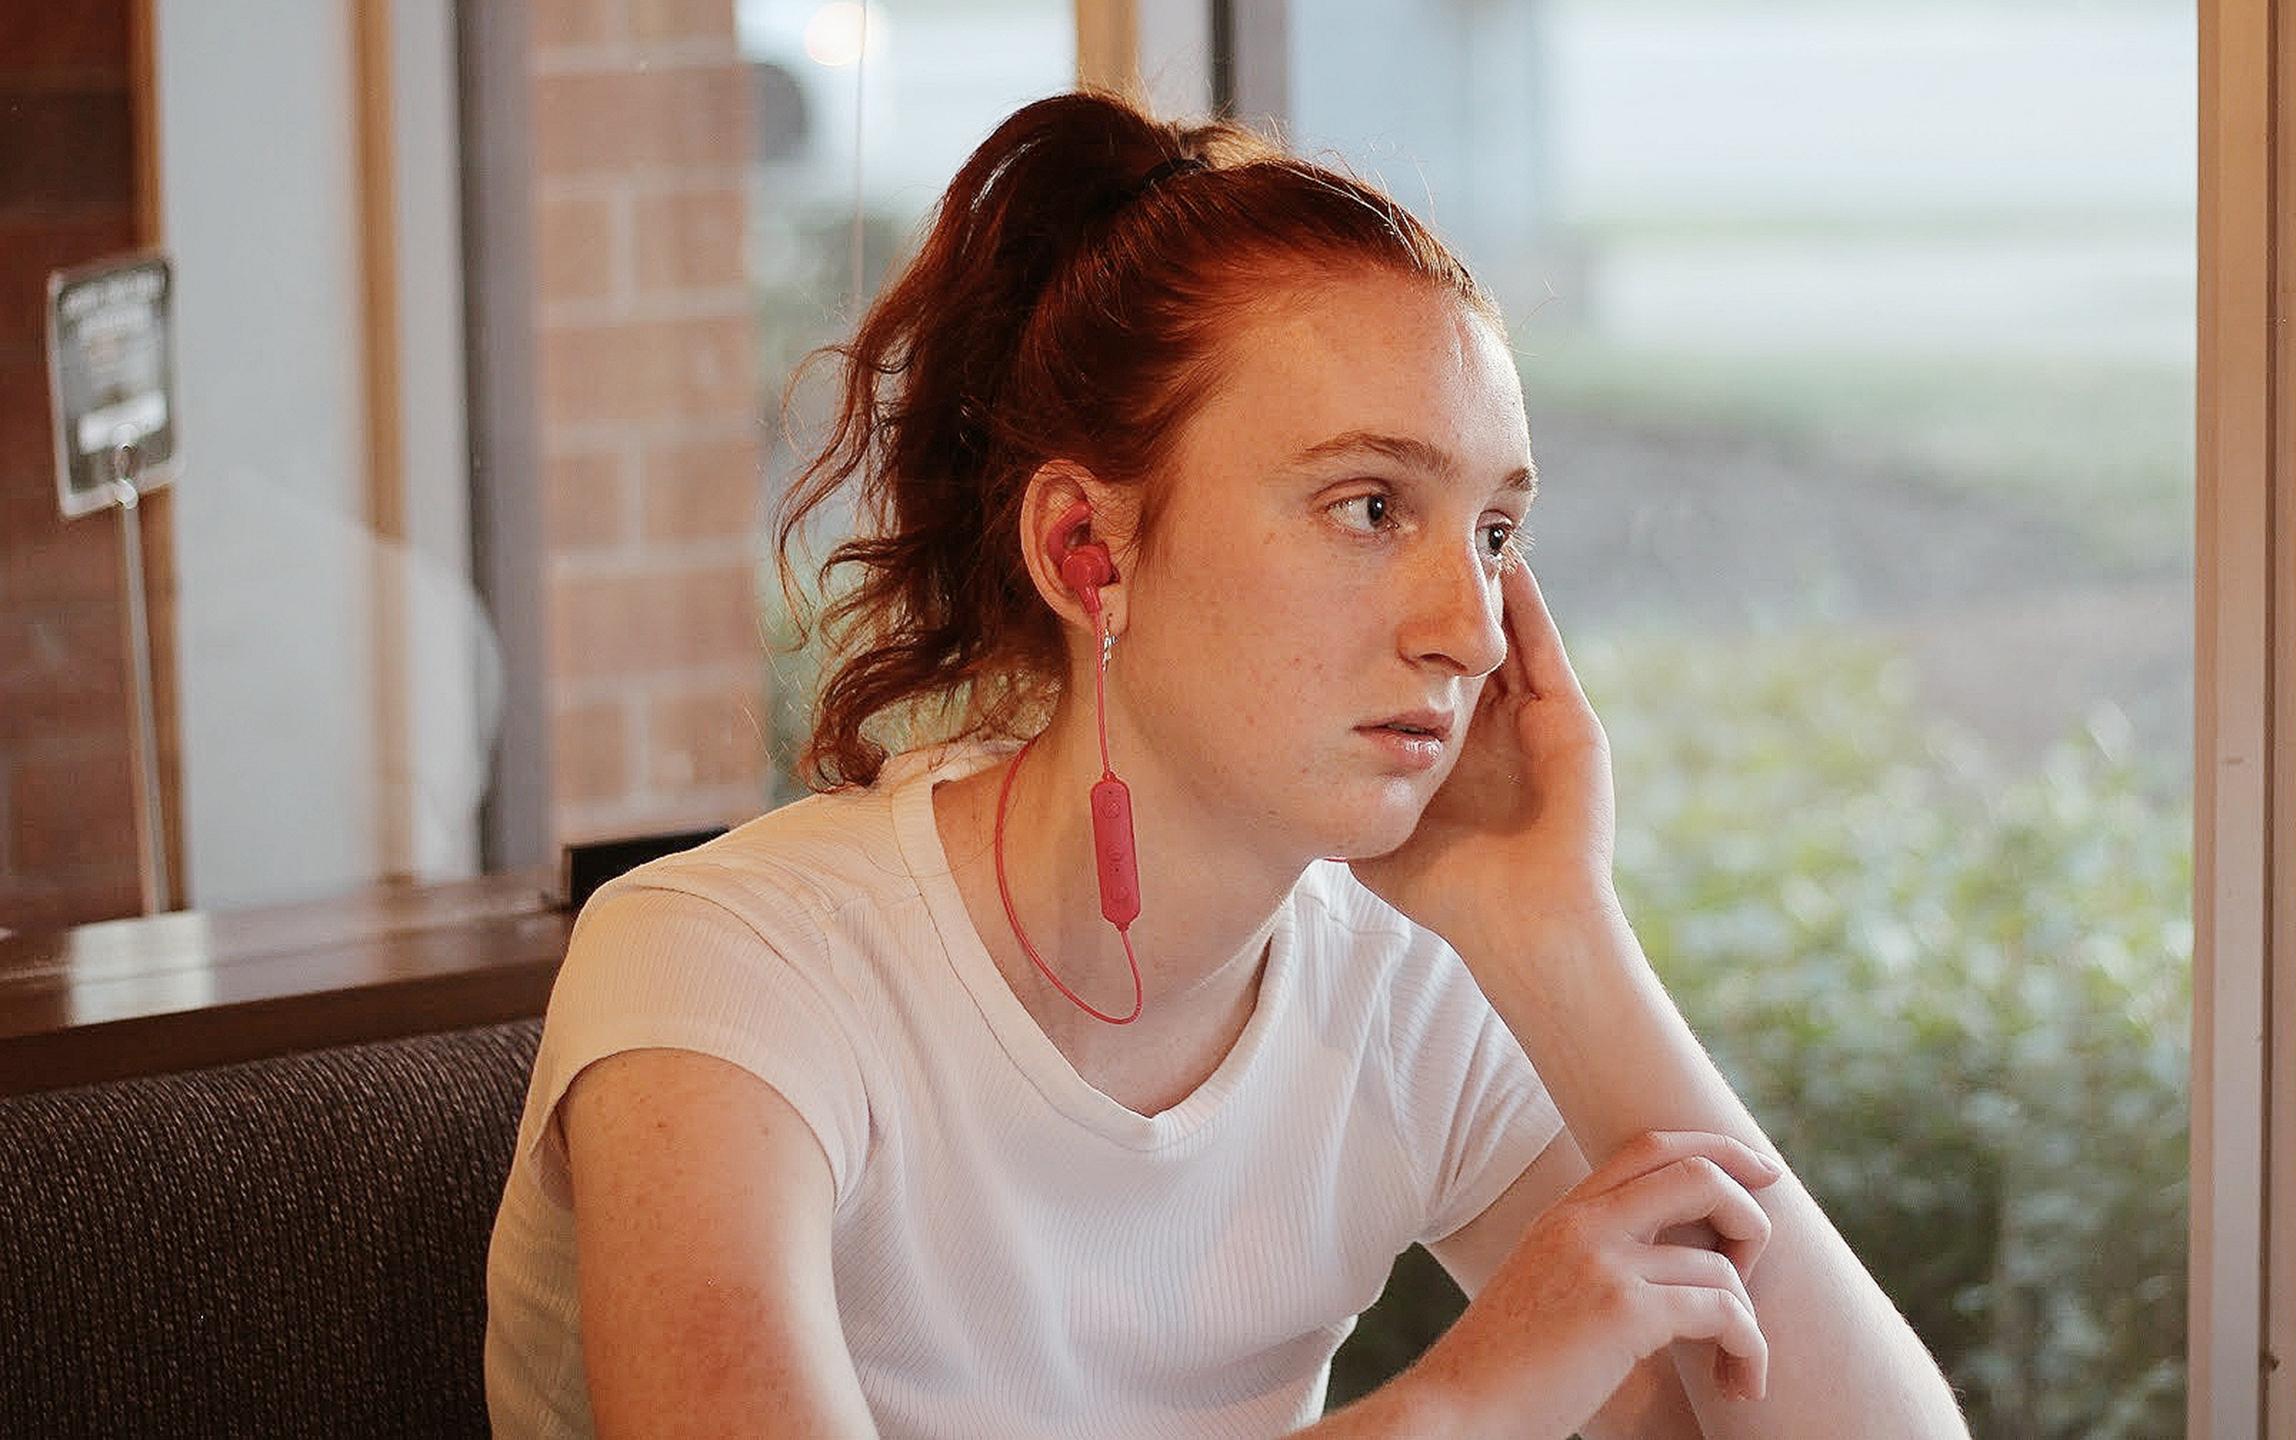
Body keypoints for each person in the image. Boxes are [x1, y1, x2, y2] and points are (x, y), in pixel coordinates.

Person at [482, 86, 1968, 1440]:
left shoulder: (1401, 988)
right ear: (1087, 548)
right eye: (1369, 506)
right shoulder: (726, 970)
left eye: (1496, 531)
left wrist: (1555, 926)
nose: (1470, 631)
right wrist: (1460, 1410)